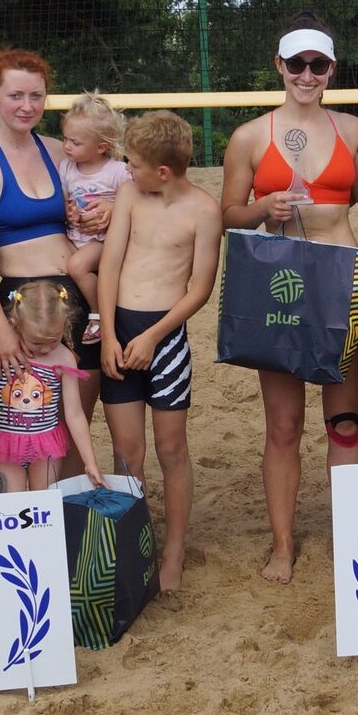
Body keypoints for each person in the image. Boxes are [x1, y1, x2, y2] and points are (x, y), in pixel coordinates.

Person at [221, 12, 358, 583]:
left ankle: (353, 540)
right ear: (279, 66)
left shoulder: (351, 130)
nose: (307, 75)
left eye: (318, 65)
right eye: (297, 64)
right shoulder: (250, 137)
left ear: (332, 69)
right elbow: (228, 214)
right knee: (283, 426)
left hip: (341, 279)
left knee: (345, 422)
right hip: (280, 288)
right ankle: (283, 545)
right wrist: (264, 208)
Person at [0, 47, 107, 491]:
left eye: (36, 96)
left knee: (72, 423)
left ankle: (62, 518)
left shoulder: (60, 151)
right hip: (23, 306)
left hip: (77, 300)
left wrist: (110, 208)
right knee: (9, 426)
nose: (27, 106)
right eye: (16, 95)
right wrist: (0, 329)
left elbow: (109, 188)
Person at [98, 111, 222, 590]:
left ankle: (173, 550)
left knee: (171, 448)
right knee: (127, 451)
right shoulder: (131, 195)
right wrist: (109, 334)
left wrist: (153, 336)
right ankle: (135, 543)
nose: (126, 169)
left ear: (163, 171)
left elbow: (200, 288)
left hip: (165, 336)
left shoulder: (204, 210)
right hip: (119, 329)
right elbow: (110, 265)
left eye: (133, 163)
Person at [0, 281, 105, 493]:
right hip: (6, 444)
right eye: (37, 342)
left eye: (53, 341)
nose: (46, 349)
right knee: (11, 503)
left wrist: (90, 461)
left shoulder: (65, 359)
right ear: (16, 324)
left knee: (46, 502)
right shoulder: (0, 353)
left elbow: (75, 414)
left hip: (46, 446)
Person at [58, 92, 130, 344]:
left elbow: (135, 201)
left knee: (77, 267)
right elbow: (65, 201)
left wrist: (112, 206)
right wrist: (70, 212)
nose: (67, 146)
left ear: (101, 147)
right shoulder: (66, 167)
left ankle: (98, 314)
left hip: (102, 240)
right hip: (75, 236)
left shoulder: (117, 171)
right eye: (65, 138)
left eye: (75, 142)